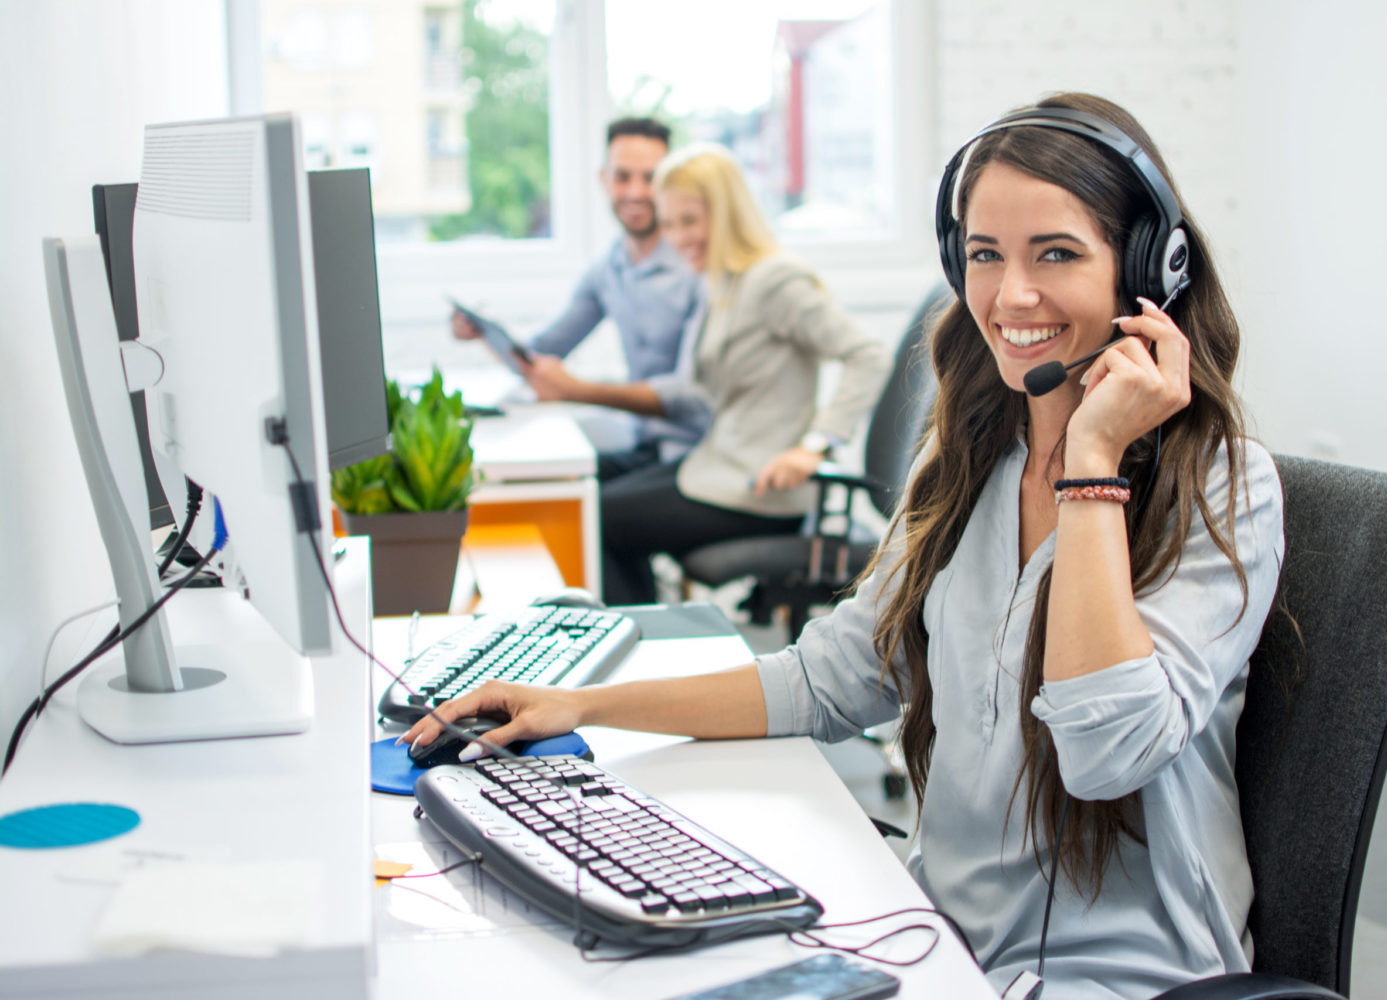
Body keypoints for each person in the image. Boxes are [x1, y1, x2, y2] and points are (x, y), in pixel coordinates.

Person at [402, 93, 1284, 999]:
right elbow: (832, 677)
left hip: (1116, 976)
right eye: (985, 255)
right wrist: (583, 705)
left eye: (1055, 253)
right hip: (941, 934)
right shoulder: (972, 463)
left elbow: (1108, 759)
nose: (1012, 295)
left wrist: (1093, 465)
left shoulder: (1223, 489)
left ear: (1148, 269)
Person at [516, 143, 891, 605]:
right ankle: (641, 639)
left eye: (689, 222)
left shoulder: (775, 280)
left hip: (761, 489)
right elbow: (695, 385)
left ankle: (638, 654)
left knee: (599, 521)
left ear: (729, 214)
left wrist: (814, 445)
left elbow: (866, 354)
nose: (676, 237)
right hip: (720, 466)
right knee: (590, 503)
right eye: (669, 223)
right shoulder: (721, 281)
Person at [452, 117, 702, 480]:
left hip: (694, 455)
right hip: (645, 448)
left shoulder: (696, 265)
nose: (635, 192)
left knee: (589, 511)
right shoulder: (608, 269)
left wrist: (577, 390)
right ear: (604, 180)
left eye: (650, 178)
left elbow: (689, 393)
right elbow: (542, 354)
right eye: (622, 177)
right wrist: (483, 334)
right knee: (538, 486)